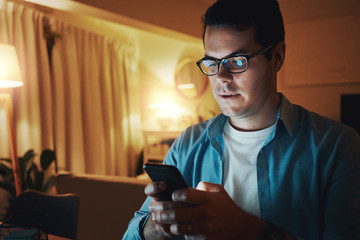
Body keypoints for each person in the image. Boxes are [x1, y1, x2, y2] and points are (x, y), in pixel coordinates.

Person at [123, 0, 360, 239]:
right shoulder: (188, 143)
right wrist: (157, 226)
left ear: (277, 57)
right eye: (212, 63)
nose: (221, 77)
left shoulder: (338, 147)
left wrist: (246, 229)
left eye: (237, 61)